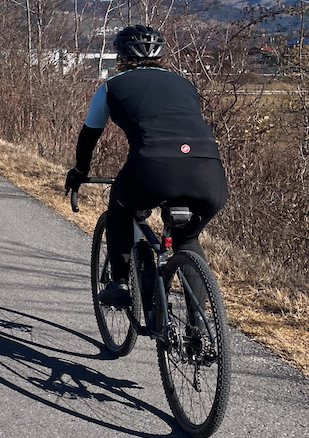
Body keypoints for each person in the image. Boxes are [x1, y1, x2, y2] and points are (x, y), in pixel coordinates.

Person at [64, 24, 229, 309]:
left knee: (119, 204)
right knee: (187, 240)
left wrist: (80, 171)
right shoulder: (185, 84)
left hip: (152, 169)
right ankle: (199, 334)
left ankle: (121, 284)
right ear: (161, 55)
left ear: (120, 55)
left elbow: (89, 136)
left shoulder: (111, 86)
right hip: (209, 173)